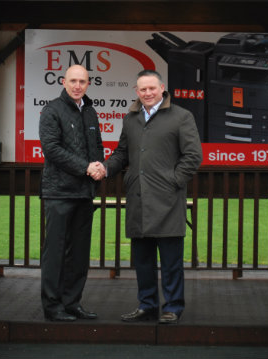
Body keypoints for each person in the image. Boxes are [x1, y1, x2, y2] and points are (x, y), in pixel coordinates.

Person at [98, 69, 202, 324]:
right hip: (137, 199)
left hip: (168, 201)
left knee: (171, 262)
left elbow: (193, 156)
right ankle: (147, 306)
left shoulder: (181, 117)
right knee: (142, 261)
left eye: (152, 88)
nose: (147, 93)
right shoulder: (130, 118)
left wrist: (173, 181)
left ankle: (173, 307)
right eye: (142, 89)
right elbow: (122, 153)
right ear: (136, 91)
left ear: (162, 88)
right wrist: (105, 167)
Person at [38, 64, 104, 322]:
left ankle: (72, 303)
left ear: (88, 84)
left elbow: (96, 146)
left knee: (78, 254)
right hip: (58, 194)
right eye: (73, 81)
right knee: (55, 253)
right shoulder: (52, 110)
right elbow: (51, 149)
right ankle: (52, 307)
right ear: (63, 81)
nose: (78, 86)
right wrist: (86, 167)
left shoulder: (90, 111)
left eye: (83, 82)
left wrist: (98, 169)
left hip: (83, 194)